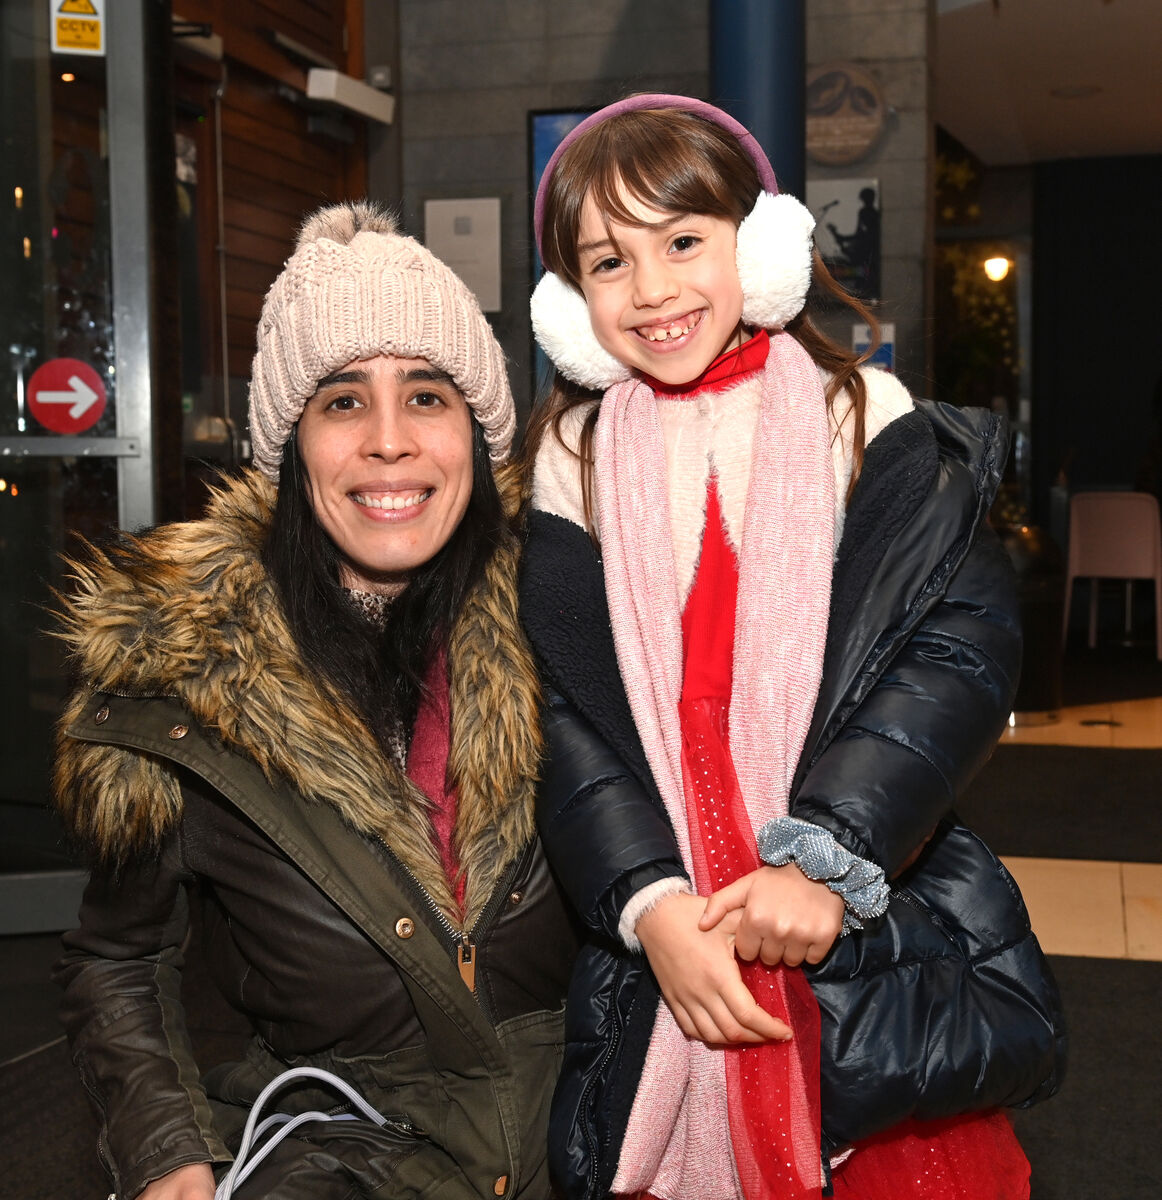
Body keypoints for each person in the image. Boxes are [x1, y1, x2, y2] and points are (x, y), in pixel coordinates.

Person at [518, 94, 1040, 1199]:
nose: (652, 288)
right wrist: (646, 902)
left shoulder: (865, 415)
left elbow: (955, 646)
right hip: (679, 922)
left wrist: (829, 852)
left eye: (683, 241)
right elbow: (560, 711)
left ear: (758, 246)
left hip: (851, 906)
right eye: (607, 262)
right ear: (569, 305)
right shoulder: (568, 459)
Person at [53, 202, 575, 1200]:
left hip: (589, 1141)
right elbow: (117, 957)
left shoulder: (577, 625)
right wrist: (167, 1150)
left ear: (478, 429)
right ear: (290, 445)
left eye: (427, 396)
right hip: (340, 1154)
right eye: (342, 402)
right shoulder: (187, 685)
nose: (389, 442)